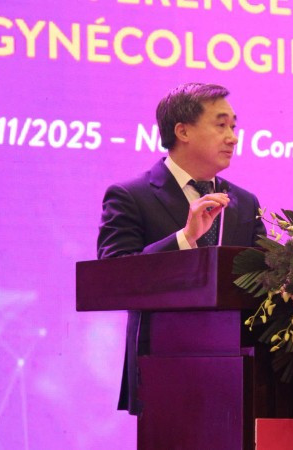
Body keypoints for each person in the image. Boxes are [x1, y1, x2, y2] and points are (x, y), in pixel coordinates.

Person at [96, 83, 265, 415]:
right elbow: (113, 277)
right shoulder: (131, 196)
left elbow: (263, 277)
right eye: (221, 125)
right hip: (162, 367)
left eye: (234, 127)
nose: (232, 138)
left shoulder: (245, 203)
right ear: (183, 131)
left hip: (237, 371)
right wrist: (184, 239)